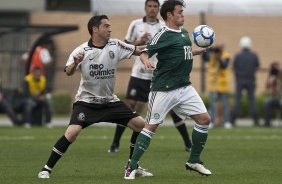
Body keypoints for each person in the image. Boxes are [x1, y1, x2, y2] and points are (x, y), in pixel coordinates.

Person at [37, 15, 153, 179]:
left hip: (109, 102)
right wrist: (75, 63)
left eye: (110, 26)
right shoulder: (81, 50)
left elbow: (137, 49)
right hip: (87, 103)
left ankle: (132, 166)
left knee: (141, 126)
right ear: (95, 29)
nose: (110, 29)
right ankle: (46, 169)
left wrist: (157, 46)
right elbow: (68, 72)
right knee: (72, 132)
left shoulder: (116, 45)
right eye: (106, 26)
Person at [124, 0, 212, 180]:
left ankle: (194, 160)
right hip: (163, 89)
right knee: (150, 128)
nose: (183, 15)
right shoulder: (162, 34)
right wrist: (146, 60)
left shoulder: (185, 33)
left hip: (184, 87)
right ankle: (131, 167)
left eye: (183, 12)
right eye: (179, 12)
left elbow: (181, 52)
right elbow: (144, 51)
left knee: (204, 119)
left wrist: (196, 52)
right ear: (170, 15)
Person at [108, 0, 192, 154]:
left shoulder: (164, 27)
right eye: (150, 6)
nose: (152, 9)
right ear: (145, 8)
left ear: (159, 9)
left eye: (155, 6)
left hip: (159, 76)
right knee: (130, 106)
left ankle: (188, 143)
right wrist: (138, 42)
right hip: (139, 74)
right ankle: (115, 143)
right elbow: (124, 46)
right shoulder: (135, 24)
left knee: (173, 109)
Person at [232, 36, 260, 126]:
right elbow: (257, 66)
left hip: (240, 79)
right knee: (252, 100)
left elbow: (234, 68)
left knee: (237, 100)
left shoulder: (238, 56)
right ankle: (255, 120)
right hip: (250, 80)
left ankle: (233, 120)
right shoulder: (254, 55)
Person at [206, 44, 232, 129]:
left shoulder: (226, 55)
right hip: (213, 84)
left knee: (225, 105)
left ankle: (227, 121)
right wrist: (210, 49)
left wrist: (218, 56)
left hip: (223, 84)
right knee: (212, 105)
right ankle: (212, 121)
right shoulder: (212, 55)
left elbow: (224, 65)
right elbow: (204, 57)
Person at [264, 62, 281, 127]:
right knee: (267, 104)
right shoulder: (272, 79)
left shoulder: (280, 78)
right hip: (277, 100)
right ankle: (267, 123)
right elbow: (268, 89)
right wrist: (269, 77)